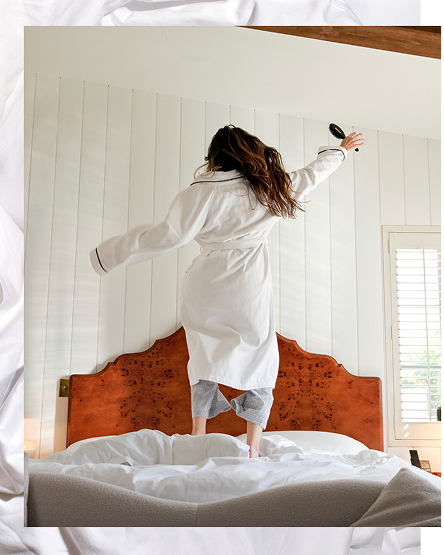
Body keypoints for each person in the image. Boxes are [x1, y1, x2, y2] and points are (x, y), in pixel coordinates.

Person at [90, 125, 364, 458]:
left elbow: (167, 236)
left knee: (204, 354)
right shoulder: (268, 187)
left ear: (214, 157)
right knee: (261, 355)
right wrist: (341, 151)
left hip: (206, 284)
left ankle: (198, 435)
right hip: (249, 285)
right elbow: (311, 175)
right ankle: (252, 446)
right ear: (250, 152)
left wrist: (110, 255)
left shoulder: (200, 192)